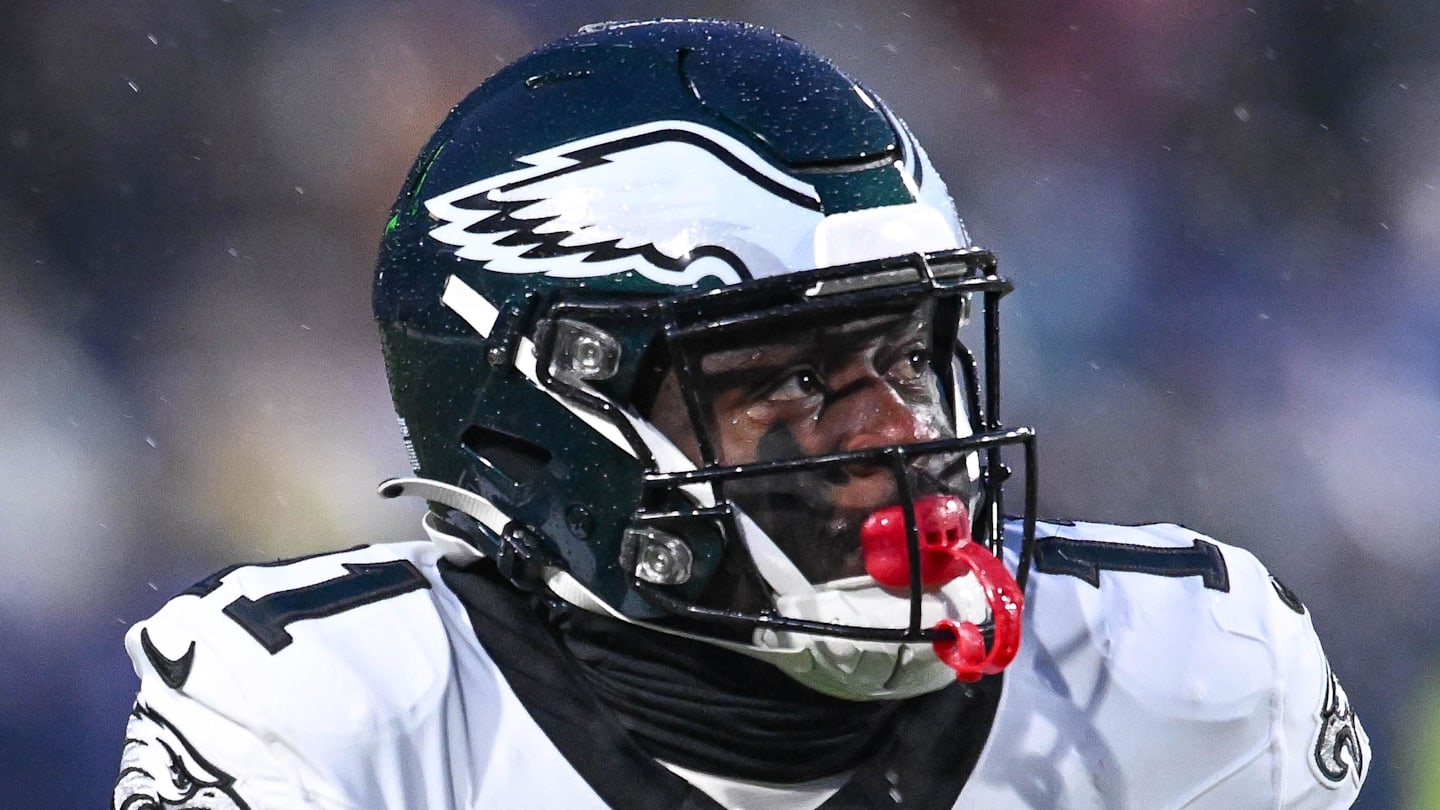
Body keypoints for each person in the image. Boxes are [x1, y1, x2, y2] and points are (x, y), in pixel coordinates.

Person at [112, 19, 1368, 809]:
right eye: (792, 382)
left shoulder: (1191, 674)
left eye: (903, 358)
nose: (891, 431)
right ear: (540, 428)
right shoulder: (332, 713)